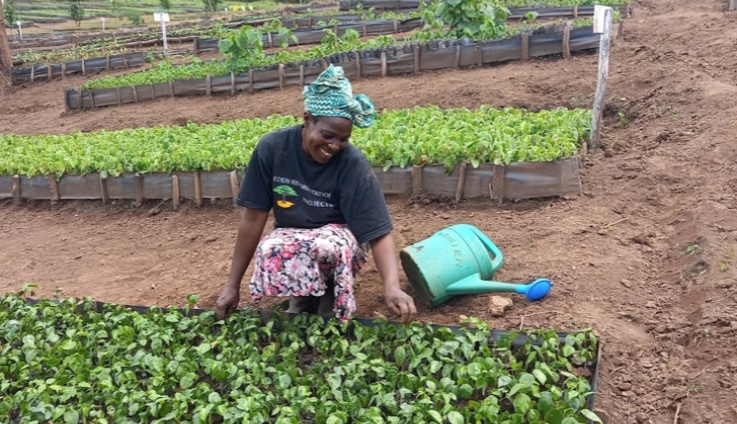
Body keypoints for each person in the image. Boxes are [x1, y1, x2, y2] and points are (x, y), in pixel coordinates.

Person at [215, 64, 418, 324]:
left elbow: (377, 232)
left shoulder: (352, 164)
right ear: (307, 119)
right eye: (327, 135)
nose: (334, 146)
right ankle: (301, 294)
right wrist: (232, 285)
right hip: (296, 239)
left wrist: (391, 286)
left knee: (326, 247)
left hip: (339, 245)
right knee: (271, 246)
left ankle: (333, 295)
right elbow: (253, 219)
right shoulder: (273, 149)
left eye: (343, 139)